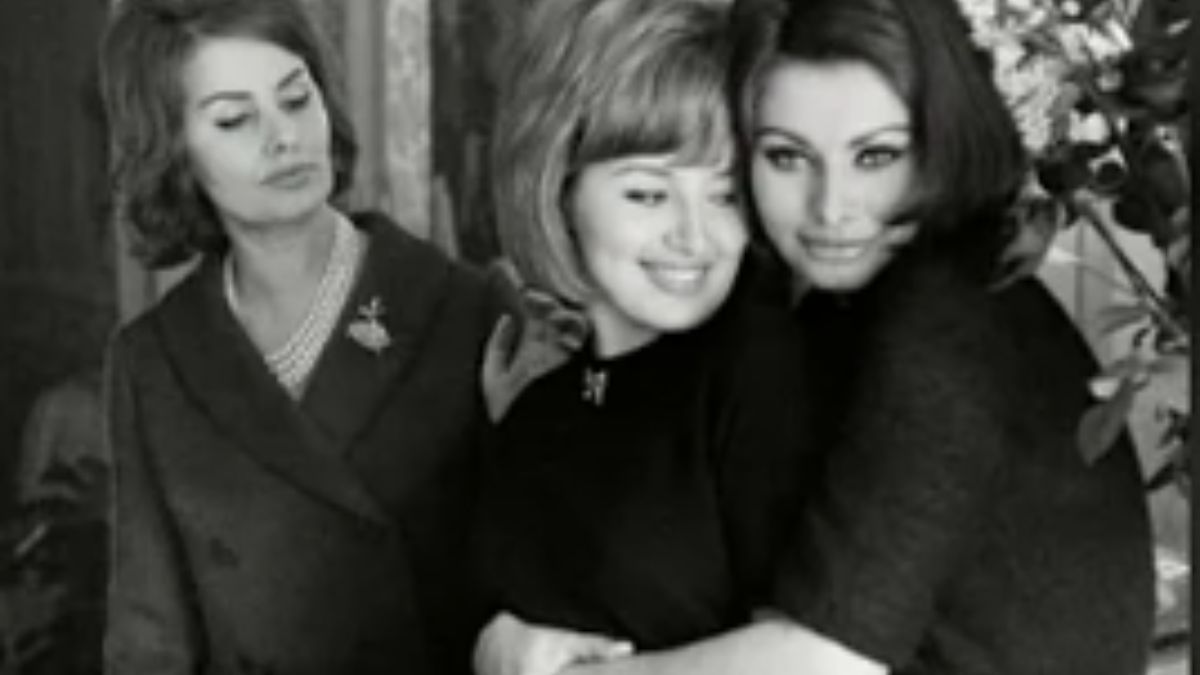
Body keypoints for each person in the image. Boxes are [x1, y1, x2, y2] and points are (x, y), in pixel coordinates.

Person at [493, 0, 1156, 673]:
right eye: (785, 156)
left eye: (876, 155)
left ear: (941, 145)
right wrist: (497, 637)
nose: (832, 209)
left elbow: (825, 661)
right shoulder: (822, 315)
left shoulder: (942, 314)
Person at [100, 0, 510, 672]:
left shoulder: (465, 311)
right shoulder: (154, 362)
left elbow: (545, 580)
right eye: (234, 120)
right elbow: (149, 641)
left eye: (295, 99)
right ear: (174, 152)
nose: (283, 137)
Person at [471, 0, 811, 673]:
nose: (694, 236)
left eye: (724, 195)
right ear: (559, 191)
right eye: (648, 195)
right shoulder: (538, 408)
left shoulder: (762, 374)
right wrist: (498, 645)